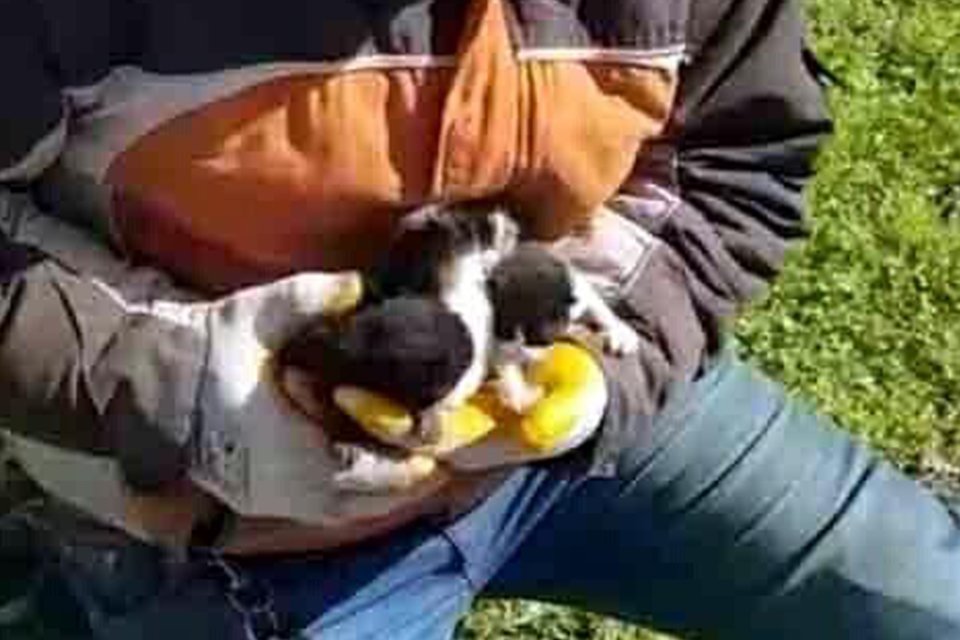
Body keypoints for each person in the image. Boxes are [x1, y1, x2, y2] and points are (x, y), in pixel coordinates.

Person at [1, 0, 959, 638]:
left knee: (932, 602)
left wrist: (597, 364)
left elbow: (733, 156)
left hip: (588, 428)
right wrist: (179, 389)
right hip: (209, 532)